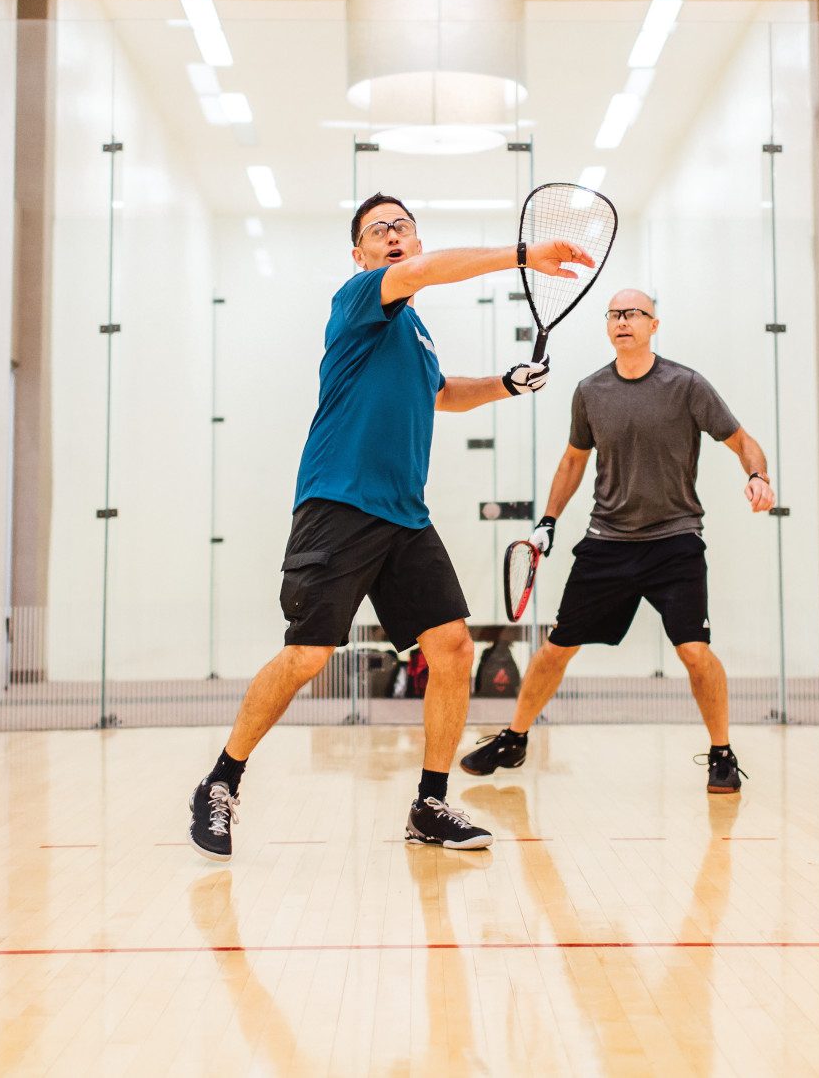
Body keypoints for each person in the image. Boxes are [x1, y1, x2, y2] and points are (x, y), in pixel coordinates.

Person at [188, 194, 595, 860]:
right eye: (380, 229)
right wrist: (523, 256)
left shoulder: (416, 333)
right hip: (338, 503)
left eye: (403, 226)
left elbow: (442, 393)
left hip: (405, 515)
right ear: (361, 254)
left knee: (454, 647)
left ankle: (430, 803)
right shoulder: (360, 298)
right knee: (308, 655)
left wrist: (508, 382)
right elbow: (429, 272)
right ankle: (220, 779)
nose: (394, 235)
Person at [460, 289, 774, 793]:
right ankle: (514, 739)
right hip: (607, 542)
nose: (623, 321)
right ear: (607, 326)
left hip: (675, 542)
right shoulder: (590, 391)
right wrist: (547, 521)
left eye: (634, 314)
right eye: (615, 314)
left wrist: (757, 474)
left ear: (654, 325)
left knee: (694, 651)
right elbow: (573, 462)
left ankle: (721, 752)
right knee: (557, 648)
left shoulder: (687, 385)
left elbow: (741, 440)